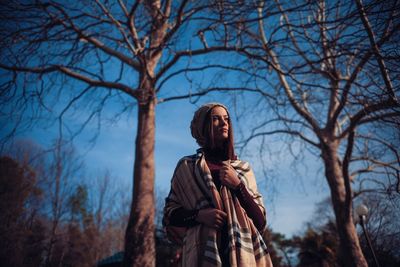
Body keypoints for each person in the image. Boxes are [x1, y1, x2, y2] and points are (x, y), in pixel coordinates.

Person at [163, 103, 273, 267]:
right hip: (200, 254)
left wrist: (238, 185)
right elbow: (170, 216)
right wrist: (199, 215)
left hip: (244, 254)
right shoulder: (187, 167)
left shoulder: (243, 169)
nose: (224, 123)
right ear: (203, 127)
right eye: (216, 119)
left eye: (226, 119)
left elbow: (260, 221)